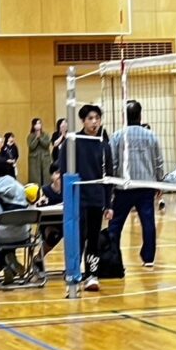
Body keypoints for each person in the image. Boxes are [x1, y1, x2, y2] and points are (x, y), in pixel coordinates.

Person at [58, 104, 114, 292]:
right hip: (77, 199)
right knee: (78, 237)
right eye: (90, 118)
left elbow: (108, 176)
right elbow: (64, 171)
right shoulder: (72, 142)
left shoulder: (104, 145)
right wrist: (66, 198)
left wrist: (108, 204)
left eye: (97, 118)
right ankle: (73, 274)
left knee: (93, 238)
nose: (94, 122)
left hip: (96, 199)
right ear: (83, 121)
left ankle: (92, 275)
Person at [109, 100, 164, 269]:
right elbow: (158, 161)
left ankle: (113, 256)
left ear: (124, 116)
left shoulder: (117, 136)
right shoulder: (151, 135)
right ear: (140, 115)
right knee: (148, 222)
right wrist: (159, 182)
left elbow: (113, 163)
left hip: (124, 186)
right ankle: (149, 258)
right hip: (145, 186)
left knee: (115, 224)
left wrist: (111, 185)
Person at [26, 118, 51, 187]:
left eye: (39, 123)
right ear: (33, 125)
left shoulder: (45, 135)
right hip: (34, 160)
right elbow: (31, 146)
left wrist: (40, 138)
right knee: (35, 179)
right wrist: (36, 138)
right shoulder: (30, 136)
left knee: (46, 177)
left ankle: (46, 190)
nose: (38, 125)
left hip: (45, 159)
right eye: (36, 123)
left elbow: (46, 144)